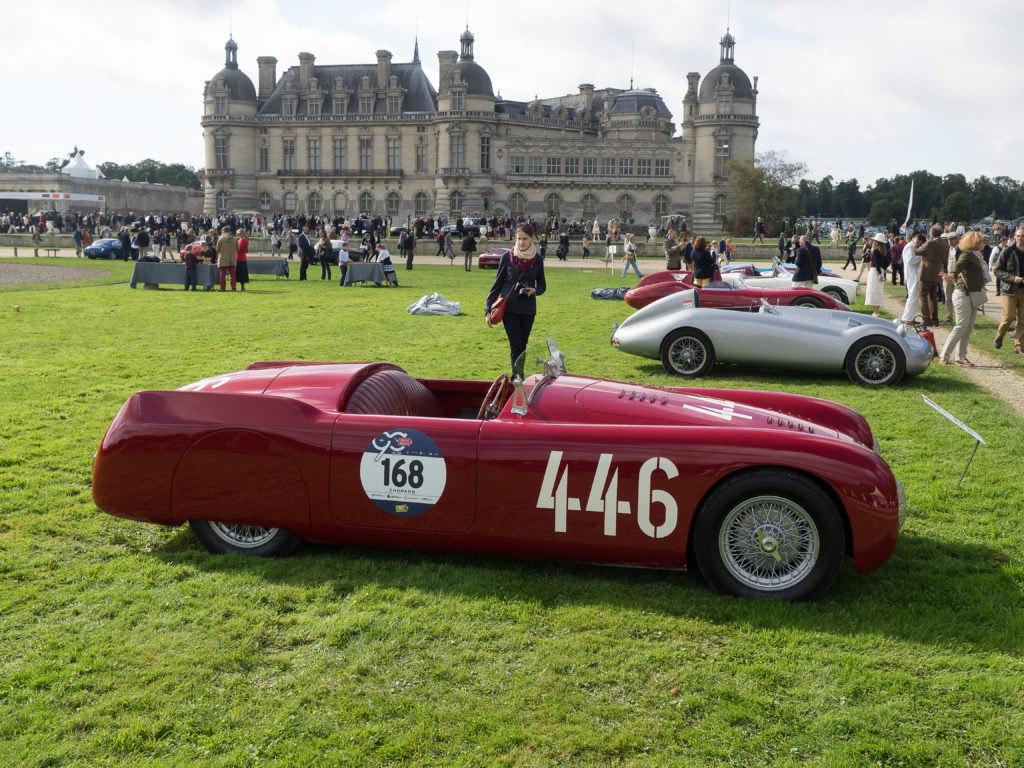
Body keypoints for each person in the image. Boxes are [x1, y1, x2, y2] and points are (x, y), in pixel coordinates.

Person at [485, 223, 547, 378]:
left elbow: (542, 285)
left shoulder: (537, 260)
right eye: (518, 238)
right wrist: (487, 310)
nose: (521, 242)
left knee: (523, 346)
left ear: (532, 238)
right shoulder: (507, 257)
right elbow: (497, 285)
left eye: (525, 239)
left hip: (528, 309)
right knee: (516, 345)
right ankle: (517, 377)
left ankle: (519, 376)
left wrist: (534, 291)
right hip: (510, 309)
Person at [938, 231, 987, 365]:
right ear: (975, 243)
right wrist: (952, 274)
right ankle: (944, 355)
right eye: (982, 240)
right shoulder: (967, 254)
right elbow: (958, 265)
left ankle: (961, 356)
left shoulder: (977, 256)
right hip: (962, 294)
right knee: (961, 326)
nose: (984, 242)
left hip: (972, 294)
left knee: (968, 328)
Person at [993, 227, 1024, 353]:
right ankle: (999, 335)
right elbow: (997, 271)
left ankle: (1019, 346)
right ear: (1014, 237)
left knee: (1023, 319)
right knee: (1009, 317)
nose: (1020, 239)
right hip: (1009, 290)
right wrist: (1012, 278)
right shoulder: (1007, 252)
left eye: (1022, 236)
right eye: (1018, 236)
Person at [915, 225, 948, 327]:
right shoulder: (945, 244)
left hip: (926, 273)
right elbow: (944, 260)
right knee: (933, 297)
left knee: (922, 296)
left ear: (932, 234)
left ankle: (926, 320)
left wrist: (916, 243)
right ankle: (934, 320)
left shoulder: (930, 243)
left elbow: (916, 252)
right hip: (936, 273)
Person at [900, 233, 926, 323]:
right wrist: (922, 256)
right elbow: (910, 260)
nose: (919, 244)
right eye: (918, 242)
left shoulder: (913, 247)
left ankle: (911, 317)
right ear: (914, 239)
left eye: (920, 243)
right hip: (912, 274)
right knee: (912, 296)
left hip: (915, 274)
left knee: (915, 297)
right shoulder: (909, 247)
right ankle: (907, 317)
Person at [864, 233, 888, 316]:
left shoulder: (876, 251)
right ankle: (876, 311)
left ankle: (876, 312)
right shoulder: (884, 251)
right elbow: (886, 263)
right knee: (878, 291)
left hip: (875, 271)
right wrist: (882, 272)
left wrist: (879, 272)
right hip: (880, 270)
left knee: (873, 291)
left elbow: (877, 263)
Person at [215, 226, 238, 292]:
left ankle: (223, 288)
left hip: (223, 258)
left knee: (222, 274)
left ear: (223, 231)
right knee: (232, 275)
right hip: (232, 258)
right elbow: (238, 248)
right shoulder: (234, 239)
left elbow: (217, 249)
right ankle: (233, 288)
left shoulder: (221, 239)